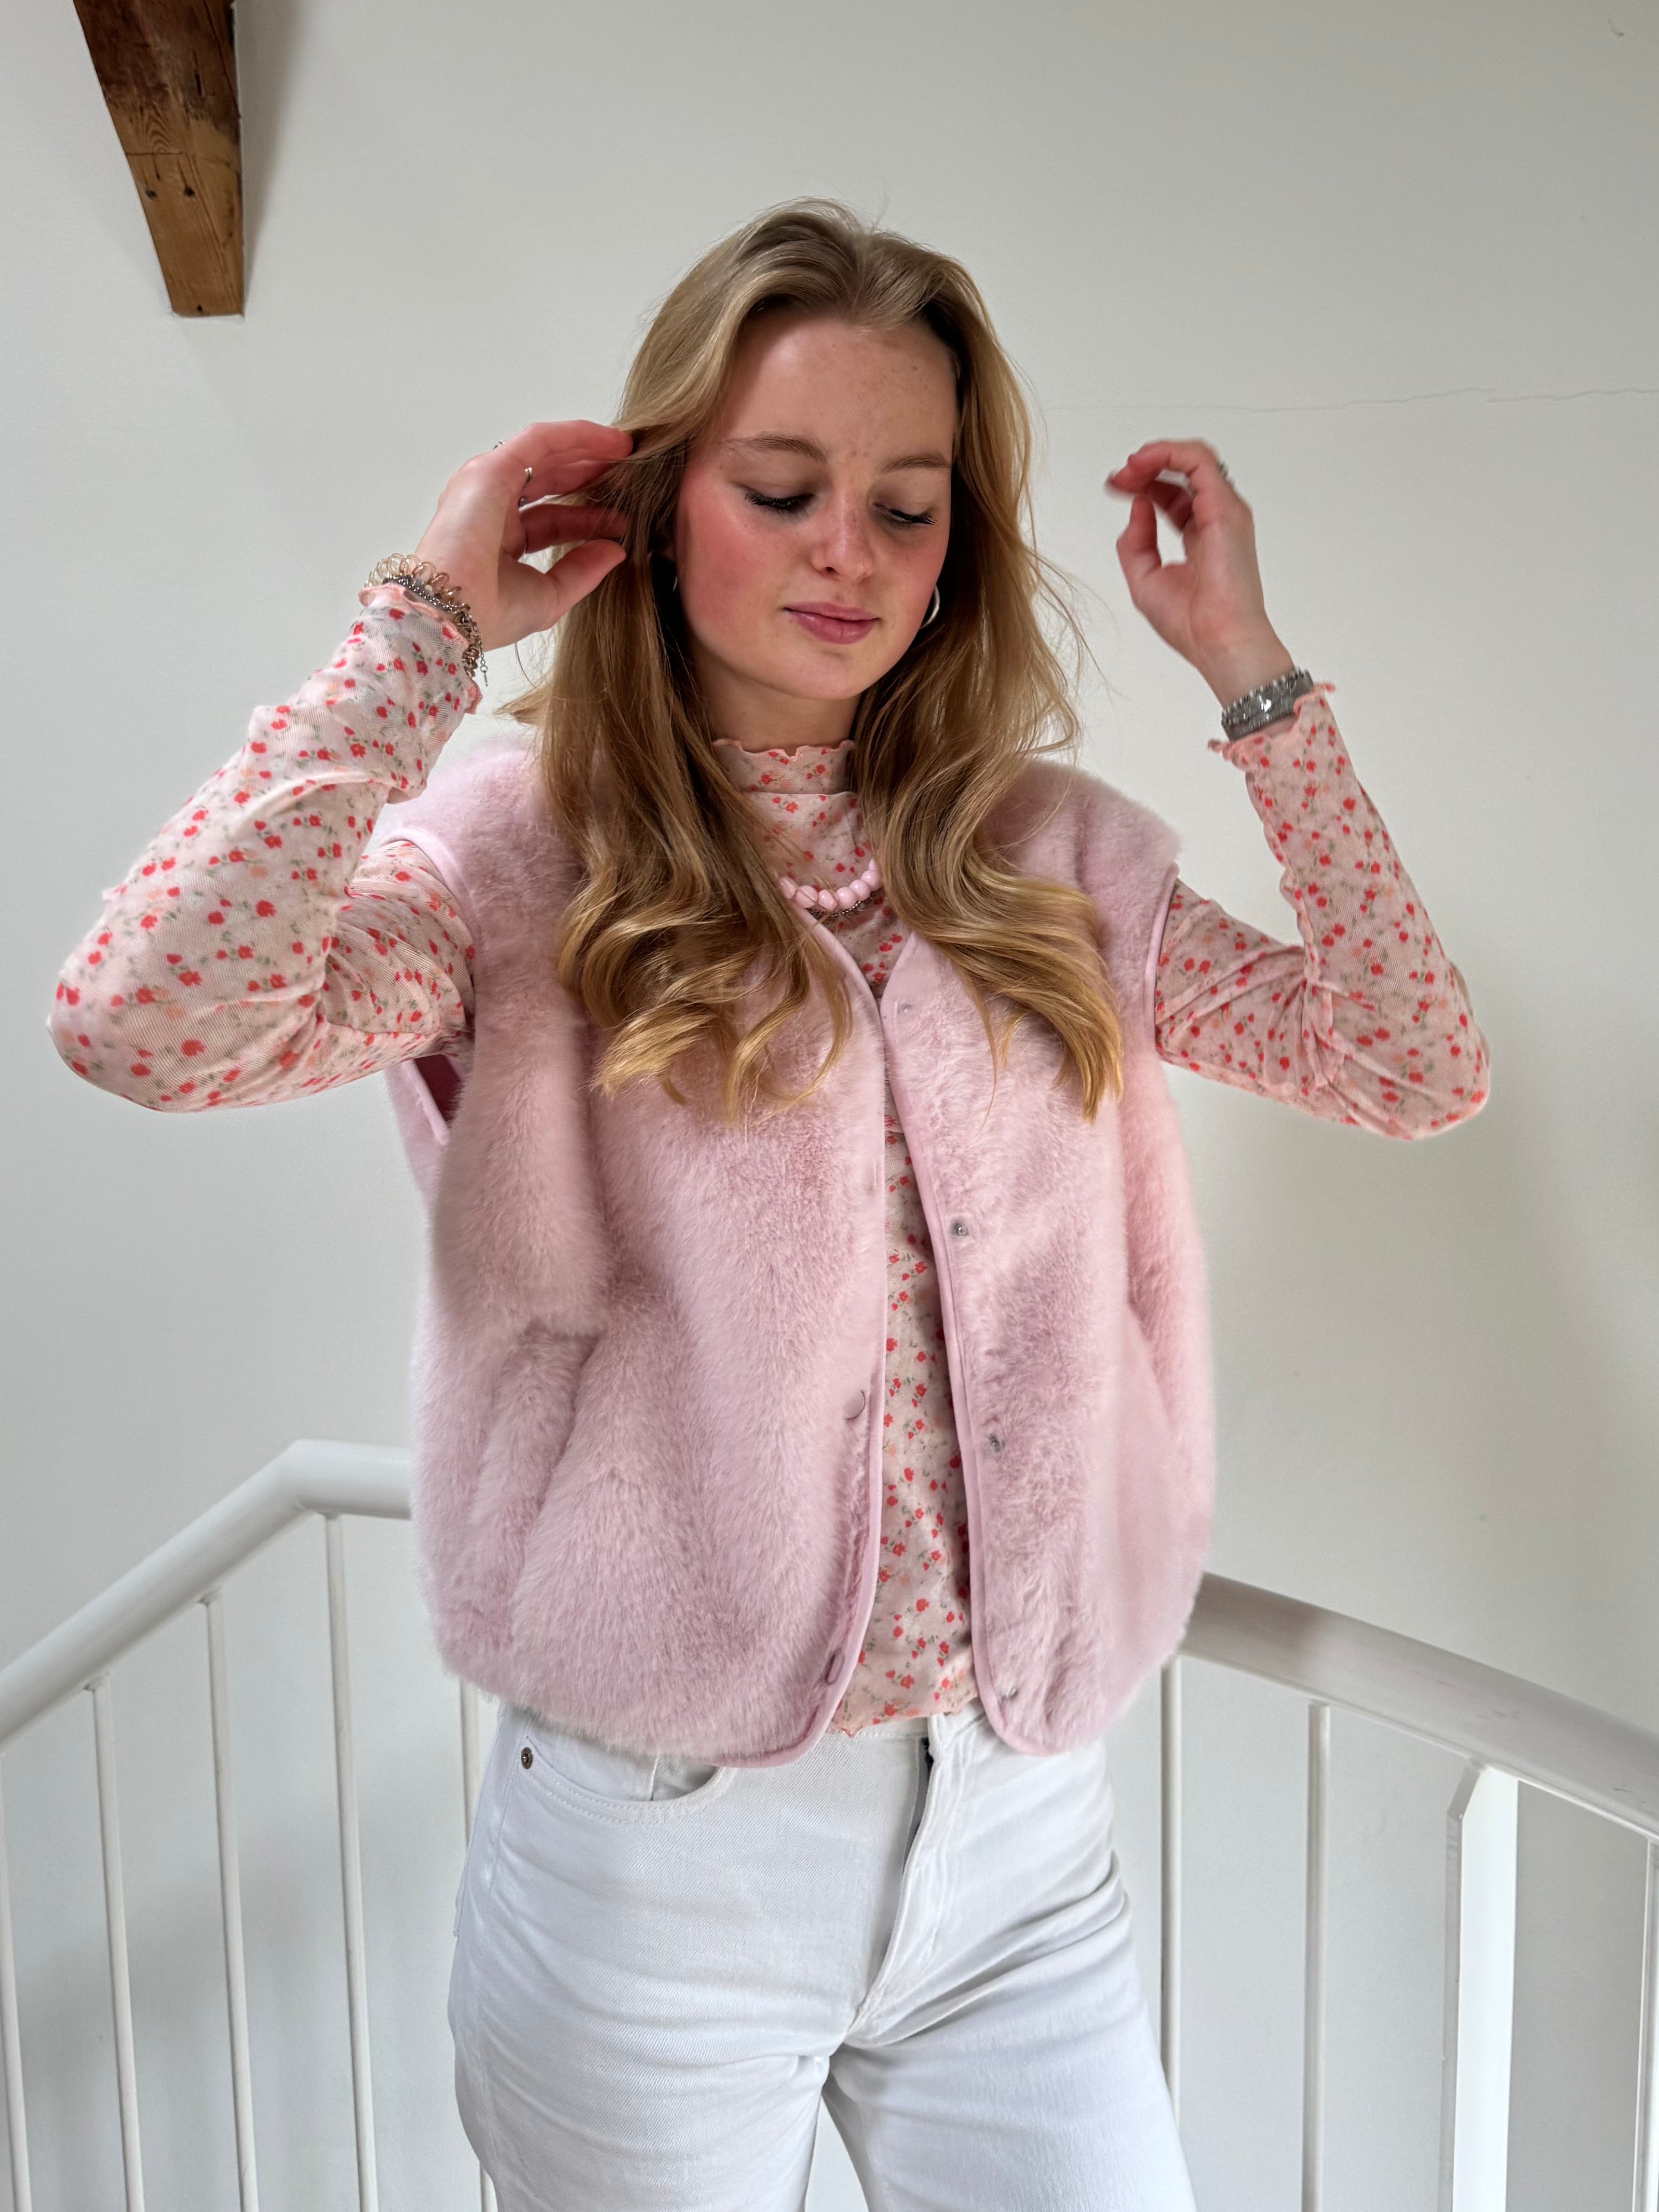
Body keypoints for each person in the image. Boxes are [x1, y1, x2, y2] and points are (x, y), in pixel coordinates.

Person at [49, 198, 1488, 2211]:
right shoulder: (511, 861)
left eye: (907, 508)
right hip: (660, 1868)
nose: (849, 554)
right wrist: (422, 627)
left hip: (1022, 1845)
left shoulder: (1053, 859)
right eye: (784, 488)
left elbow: (1407, 1063)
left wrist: (1251, 674)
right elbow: (144, 1021)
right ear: (658, 510)